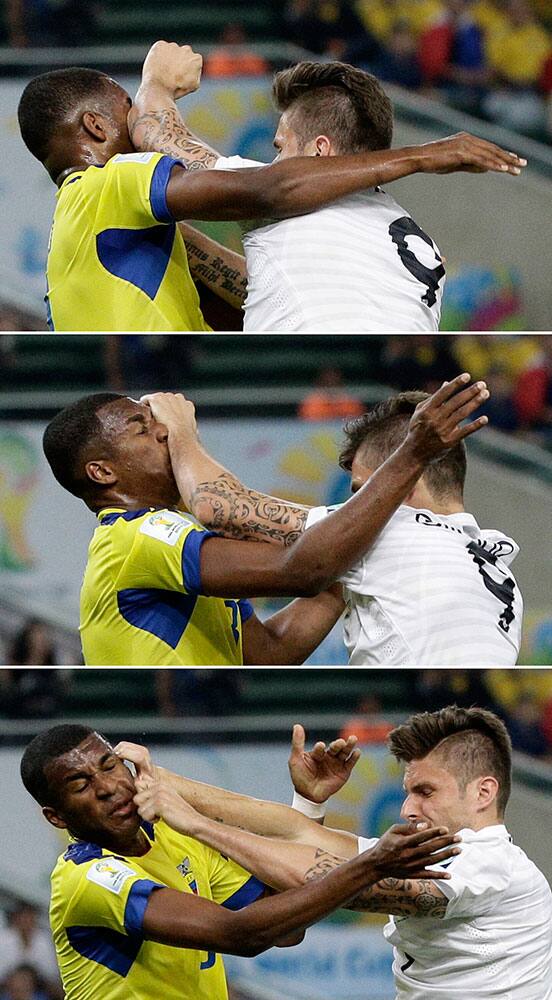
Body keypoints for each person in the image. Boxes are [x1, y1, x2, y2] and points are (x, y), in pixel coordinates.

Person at [41, 374, 488, 666]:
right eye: (143, 428)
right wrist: (185, 435)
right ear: (102, 472)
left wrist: (358, 547)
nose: (163, 431)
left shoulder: (173, 544)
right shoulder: (136, 536)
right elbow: (300, 569)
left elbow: (274, 650)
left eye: (160, 425)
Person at [117, 706, 552, 1000]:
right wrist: (154, 780)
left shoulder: (494, 865)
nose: (407, 809)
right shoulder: (436, 853)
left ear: (483, 792)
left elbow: (324, 879)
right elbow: (297, 833)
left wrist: (194, 824)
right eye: (408, 792)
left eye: (425, 792)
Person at [19, 723, 461, 1000]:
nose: (108, 787)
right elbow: (241, 934)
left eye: (110, 765)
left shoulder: (173, 834)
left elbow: (286, 931)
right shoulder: (87, 878)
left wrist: (307, 809)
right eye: (81, 784)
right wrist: (371, 864)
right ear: (57, 816)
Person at [129, 44, 527, 332]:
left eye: (280, 147)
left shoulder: (291, 192)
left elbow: (151, 130)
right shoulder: (408, 240)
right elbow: (277, 290)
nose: (272, 164)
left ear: (320, 151)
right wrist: (184, 243)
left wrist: (157, 81)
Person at [146, 386, 522, 665]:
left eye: (361, 492)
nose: (352, 508)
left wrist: (180, 428)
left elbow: (218, 506)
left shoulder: (396, 534)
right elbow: (274, 652)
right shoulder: (493, 564)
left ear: (404, 484)